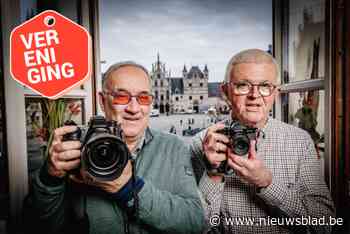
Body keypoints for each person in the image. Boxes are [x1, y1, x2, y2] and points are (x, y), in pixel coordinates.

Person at [25, 61, 204, 234]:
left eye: (143, 97)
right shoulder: (77, 146)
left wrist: (128, 189)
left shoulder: (173, 148)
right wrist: (50, 179)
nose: (134, 108)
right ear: (102, 101)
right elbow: (37, 226)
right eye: (121, 96)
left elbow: (194, 222)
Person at [190, 49, 335, 234]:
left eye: (265, 86)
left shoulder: (300, 142)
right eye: (243, 85)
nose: (254, 95)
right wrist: (213, 173)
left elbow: (325, 224)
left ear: (275, 92)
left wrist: (268, 183)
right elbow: (194, 227)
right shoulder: (200, 144)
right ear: (225, 91)